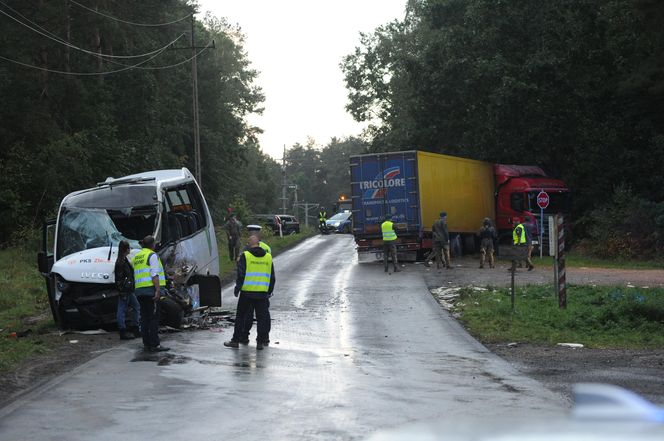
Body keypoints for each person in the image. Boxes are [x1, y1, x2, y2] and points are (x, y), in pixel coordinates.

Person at [224, 235, 276, 350]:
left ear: (249, 244)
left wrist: (237, 288)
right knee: (261, 318)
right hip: (262, 294)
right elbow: (272, 277)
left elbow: (241, 274)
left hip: (247, 293)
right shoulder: (268, 257)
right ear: (259, 244)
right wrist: (269, 291)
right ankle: (260, 343)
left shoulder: (246, 256)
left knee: (241, 317)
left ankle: (236, 340)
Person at [132, 235, 169, 352]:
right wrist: (158, 290)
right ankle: (155, 344)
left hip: (139, 291)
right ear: (152, 245)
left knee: (144, 318)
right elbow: (154, 274)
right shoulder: (152, 255)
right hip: (150, 291)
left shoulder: (137, 256)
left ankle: (146, 343)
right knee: (153, 318)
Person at [114, 240, 141, 340]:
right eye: (129, 248)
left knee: (136, 306)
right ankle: (123, 331)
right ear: (125, 249)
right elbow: (119, 278)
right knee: (122, 310)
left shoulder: (124, 260)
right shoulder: (120, 262)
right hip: (125, 290)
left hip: (128, 289)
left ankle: (135, 328)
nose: (130, 249)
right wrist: (122, 291)